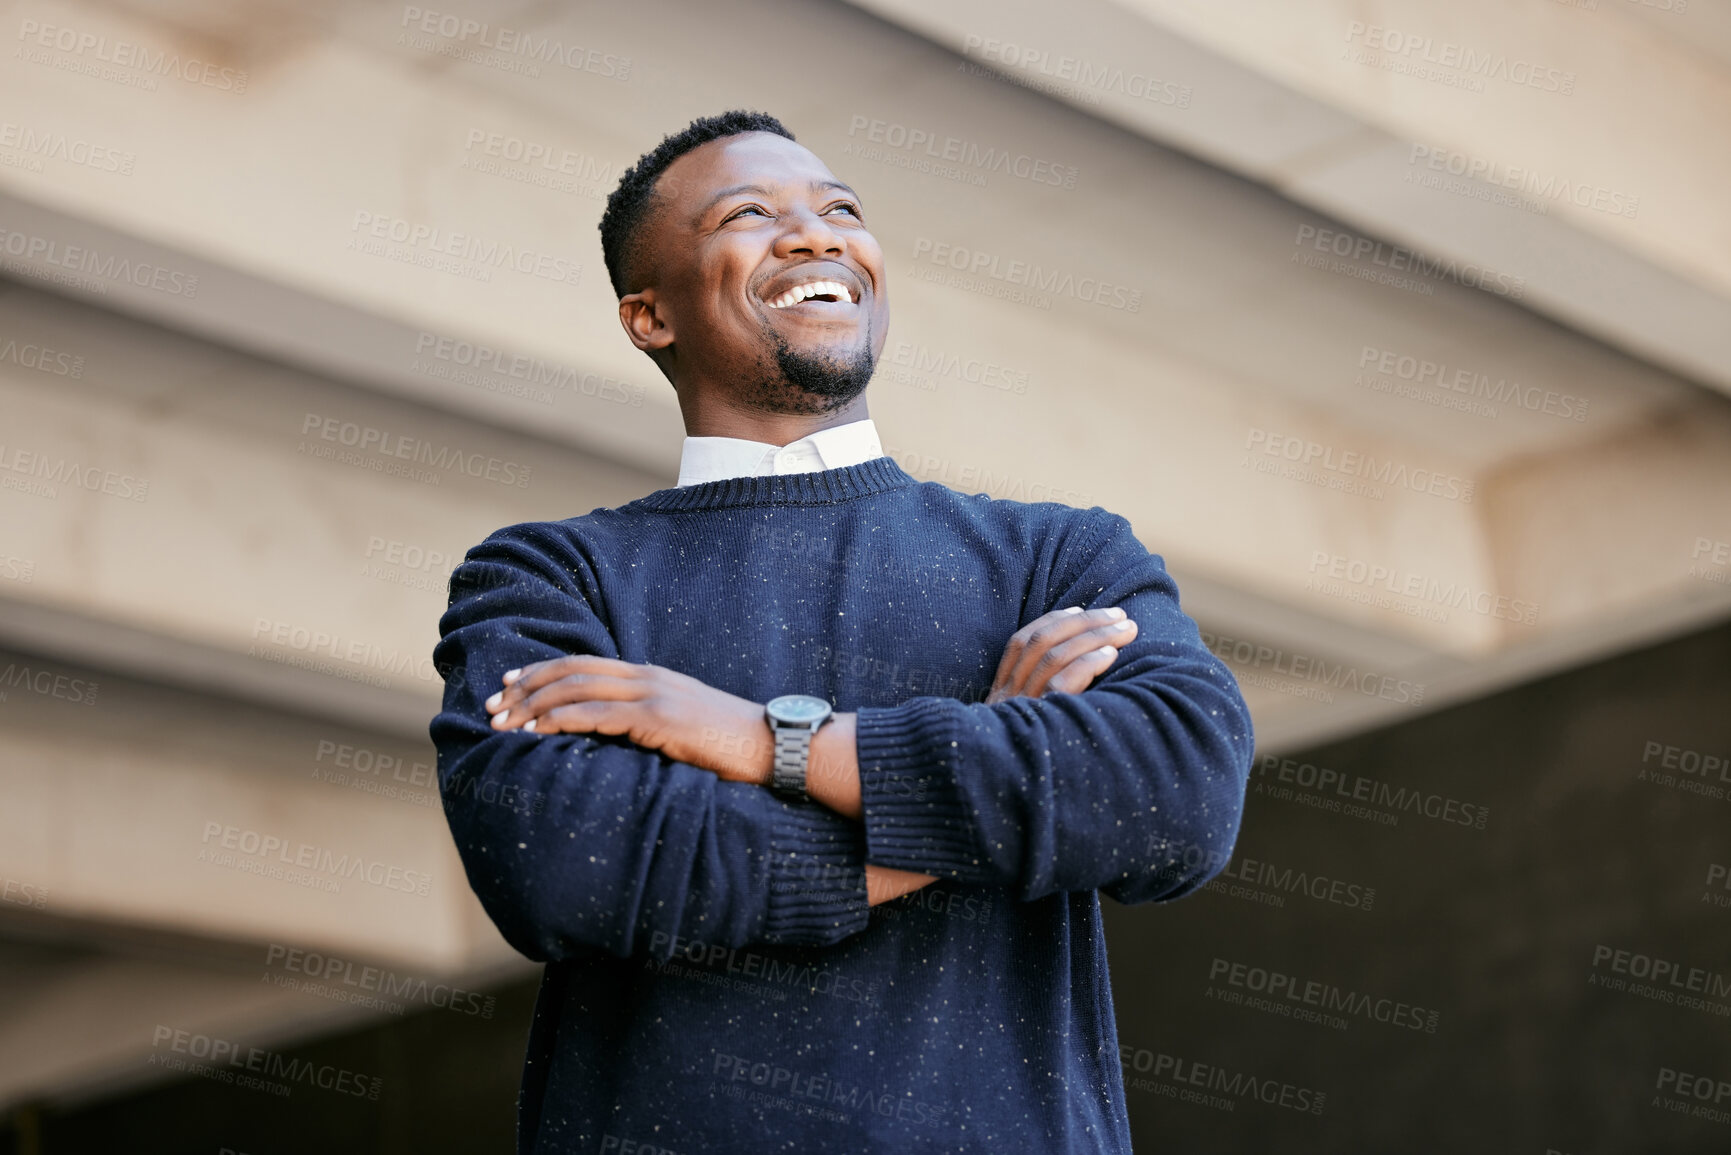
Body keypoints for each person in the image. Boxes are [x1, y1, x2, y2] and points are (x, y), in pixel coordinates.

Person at [430, 109, 1253, 1155]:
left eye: (841, 211)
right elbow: (563, 866)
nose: (818, 237)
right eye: (750, 214)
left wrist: (760, 740)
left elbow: (1176, 796)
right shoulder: (549, 576)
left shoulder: (1060, 556)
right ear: (649, 317)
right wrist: (984, 782)